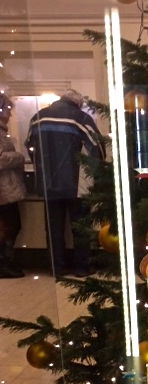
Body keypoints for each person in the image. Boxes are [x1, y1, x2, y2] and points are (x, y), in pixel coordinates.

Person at [25, 89, 106, 277]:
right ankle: (82, 267)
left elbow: (30, 146)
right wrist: (95, 173)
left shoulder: (38, 118)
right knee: (80, 228)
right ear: (78, 103)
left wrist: (43, 167)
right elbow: (97, 149)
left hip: (48, 183)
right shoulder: (81, 118)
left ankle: (57, 268)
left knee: (53, 229)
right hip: (76, 184)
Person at [0, 93, 27, 279]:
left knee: (10, 226)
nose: (10, 114)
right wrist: (19, 157)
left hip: (6, 189)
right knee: (9, 226)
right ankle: (4, 264)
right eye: (8, 109)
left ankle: (6, 262)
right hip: (4, 190)